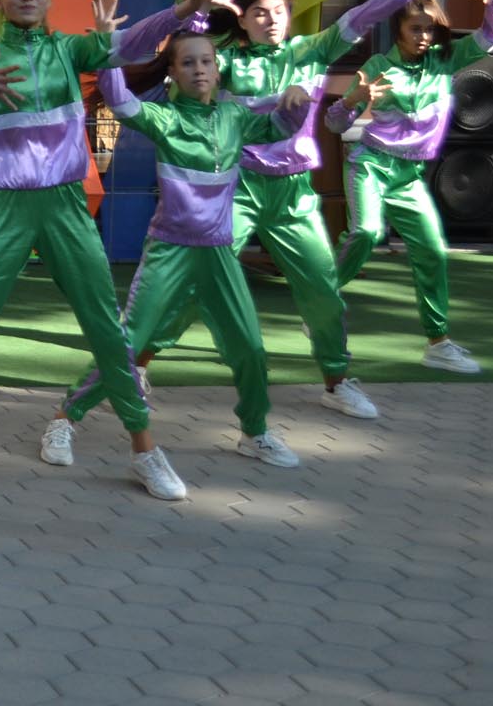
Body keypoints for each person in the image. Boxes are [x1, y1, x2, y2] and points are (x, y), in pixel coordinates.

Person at [0, 0, 241, 503]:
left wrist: (183, 12)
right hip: (3, 211)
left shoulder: (69, 50)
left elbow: (129, 44)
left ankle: (144, 449)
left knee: (107, 330)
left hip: (65, 208)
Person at [137, 0, 473, 416]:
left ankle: (336, 381)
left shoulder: (312, 51)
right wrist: (202, 11)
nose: (270, 19)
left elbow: (362, 16)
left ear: (289, 17)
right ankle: (138, 363)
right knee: (200, 283)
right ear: (243, 20)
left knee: (322, 290)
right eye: (259, 12)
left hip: (294, 195)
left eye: (278, 11)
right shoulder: (224, 60)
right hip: (237, 191)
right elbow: (183, 60)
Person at [43, 31, 310, 474]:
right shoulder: (165, 119)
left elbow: (281, 127)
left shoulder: (234, 116)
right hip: (169, 252)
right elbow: (121, 102)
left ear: (217, 71)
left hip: (219, 254)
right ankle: (64, 419)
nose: (199, 70)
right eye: (188, 63)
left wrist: (297, 101)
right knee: (128, 345)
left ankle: (255, 431)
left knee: (250, 347)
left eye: (206, 62)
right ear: (172, 73)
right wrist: (110, 51)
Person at [327, 0, 493, 373]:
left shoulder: (446, 60)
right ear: (399, 29)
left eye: (430, 29)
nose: (424, 36)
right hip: (371, 166)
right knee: (366, 232)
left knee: (432, 250)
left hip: (408, 177)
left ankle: (438, 343)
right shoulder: (377, 67)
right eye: (415, 28)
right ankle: (320, 303)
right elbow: (335, 124)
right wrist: (353, 99)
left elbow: (491, 36)